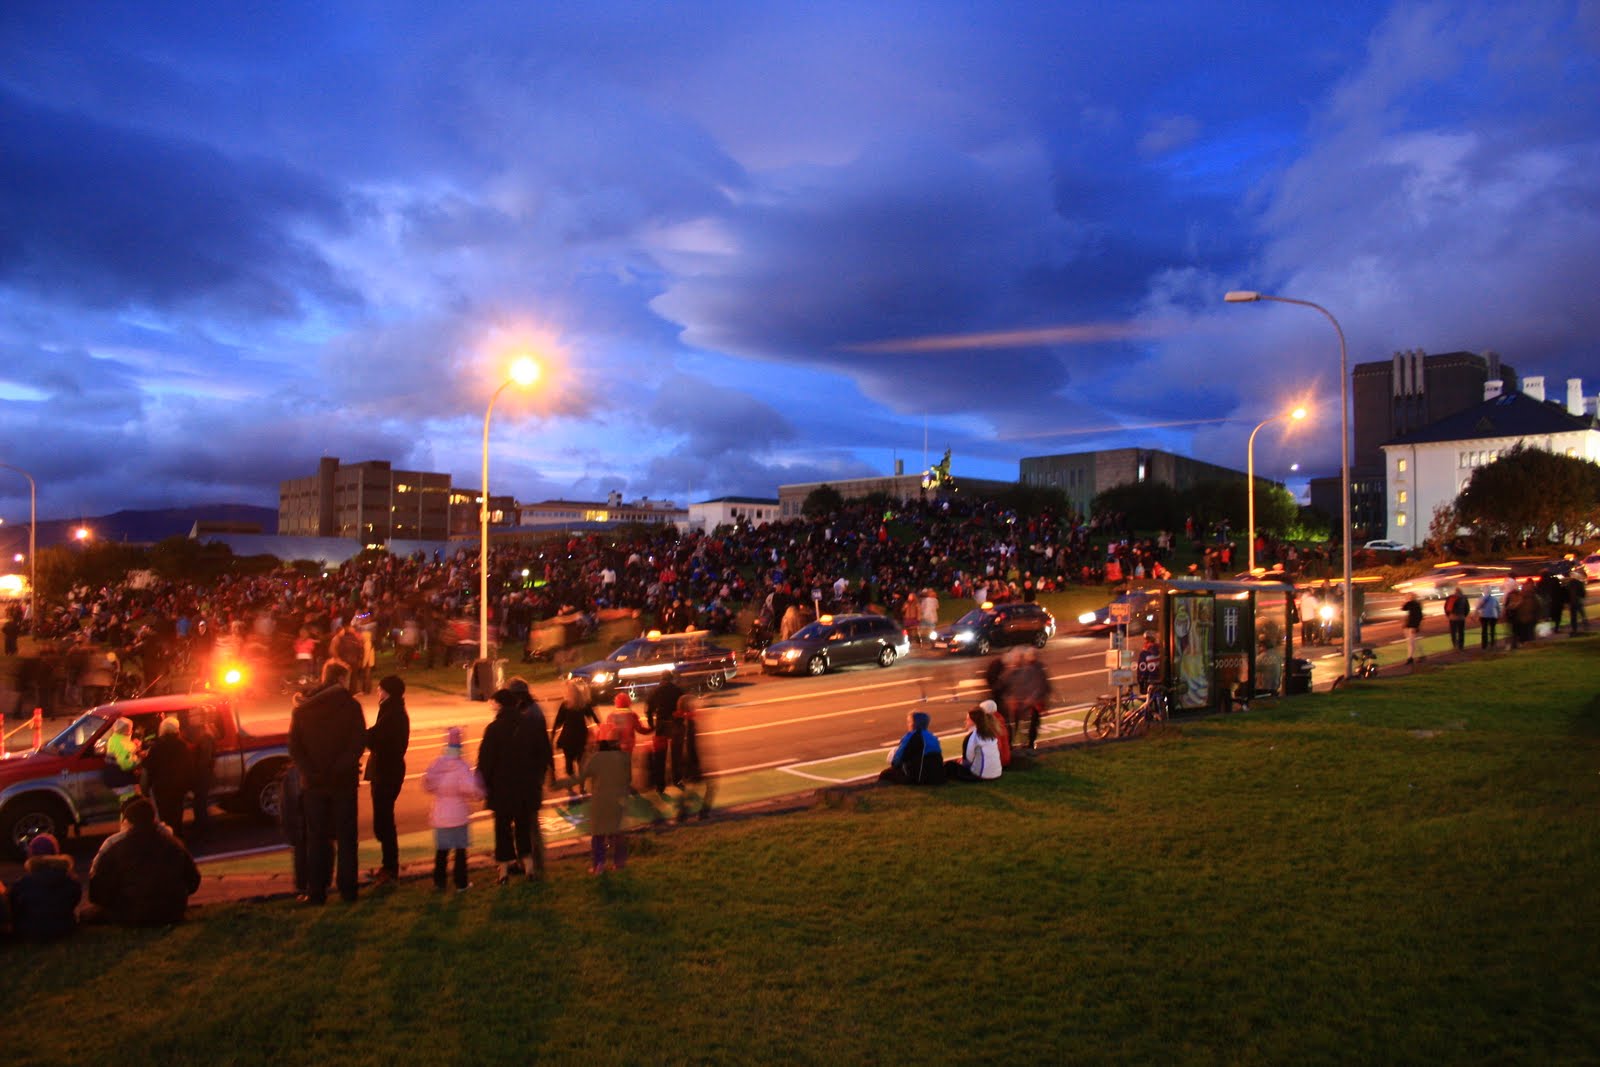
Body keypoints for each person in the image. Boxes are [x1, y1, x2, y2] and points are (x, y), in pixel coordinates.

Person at [288, 660, 367, 904]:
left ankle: (317, 890)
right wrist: (338, 768)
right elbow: (357, 744)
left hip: (313, 784)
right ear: (342, 679)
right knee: (346, 838)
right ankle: (348, 890)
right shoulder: (350, 706)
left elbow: (295, 747)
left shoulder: (303, 708)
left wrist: (311, 771)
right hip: (343, 782)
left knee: (316, 839)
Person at [86, 796, 201, 925]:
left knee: (88, 915)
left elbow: (97, 891)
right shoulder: (173, 845)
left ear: (128, 822)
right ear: (153, 818)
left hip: (131, 913)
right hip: (172, 911)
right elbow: (193, 880)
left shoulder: (116, 848)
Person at [478, 689, 541, 884]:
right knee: (523, 827)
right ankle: (529, 868)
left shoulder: (494, 729)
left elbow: (486, 761)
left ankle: (504, 872)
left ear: (499, 704)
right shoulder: (529, 726)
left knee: (502, 830)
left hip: (501, 788)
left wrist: (482, 784)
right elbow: (540, 755)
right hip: (525, 787)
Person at [423, 726, 483, 893]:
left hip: (440, 814)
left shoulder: (437, 764)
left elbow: (428, 784)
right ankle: (461, 883)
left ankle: (439, 882)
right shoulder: (462, 766)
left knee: (441, 851)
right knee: (460, 851)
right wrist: (480, 793)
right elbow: (471, 788)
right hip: (458, 815)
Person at [364, 674, 411, 886]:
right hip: (386, 771)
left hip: (386, 772)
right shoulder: (392, 710)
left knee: (384, 822)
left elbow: (376, 738)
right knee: (383, 820)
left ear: (388, 691)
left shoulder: (393, 714)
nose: (377, 691)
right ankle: (388, 865)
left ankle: (390, 868)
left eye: (380, 688)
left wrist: (360, 734)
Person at [569, 722, 634, 873]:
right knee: (617, 832)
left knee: (598, 834)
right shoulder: (624, 758)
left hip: (601, 801)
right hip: (617, 800)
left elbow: (584, 775)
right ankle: (619, 864)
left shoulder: (598, 757)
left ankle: (599, 865)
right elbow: (628, 779)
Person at [8, 833, 82, 942]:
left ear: (31, 855)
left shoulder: (22, 884)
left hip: (30, 931)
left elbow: (14, 906)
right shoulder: (70, 881)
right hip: (65, 929)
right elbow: (74, 900)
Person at [141, 716, 193, 839]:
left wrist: (146, 787)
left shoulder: (156, 746)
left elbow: (149, 767)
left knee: (164, 814)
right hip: (179, 785)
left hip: (161, 787)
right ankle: (178, 836)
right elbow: (189, 766)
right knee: (178, 812)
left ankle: (168, 837)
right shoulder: (182, 745)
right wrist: (189, 785)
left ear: (162, 729)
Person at [552, 677, 598, 796]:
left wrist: (553, 736)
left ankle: (571, 786)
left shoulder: (566, 705)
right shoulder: (584, 704)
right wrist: (601, 730)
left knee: (569, 762)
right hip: (581, 737)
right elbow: (594, 718)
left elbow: (558, 722)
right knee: (581, 762)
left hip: (568, 738)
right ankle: (582, 787)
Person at [673, 692, 715, 821]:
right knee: (710, 786)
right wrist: (696, 763)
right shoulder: (689, 723)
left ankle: (682, 814)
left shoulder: (678, 720)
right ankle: (703, 813)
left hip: (682, 762)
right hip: (691, 761)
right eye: (692, 704)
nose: (694, 706)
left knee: (690, 788)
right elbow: (691, 744)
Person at [878, 711, 945, 785]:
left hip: (919, 779)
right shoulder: (932, 737)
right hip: (937, 777)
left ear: (914, 723)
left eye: (909, 722)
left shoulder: (911, 736)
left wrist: (893, 763)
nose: (908, 724)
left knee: (885, 774)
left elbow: (898, 759)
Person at [645, 671, 685, 794]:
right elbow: (683, 706)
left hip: (661, 726)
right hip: (675, 725)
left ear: (661, 679)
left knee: (660, 756)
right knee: (676, 755)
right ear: (671, 679)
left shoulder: (655, 691)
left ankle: (660, 785)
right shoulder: (678, 690)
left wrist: (651, 724)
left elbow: (648, 709)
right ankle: (677, 780)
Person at [945, 706, 1002, 782]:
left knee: (950, 765)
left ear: (973, 721)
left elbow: (968, 760)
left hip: (980, 776)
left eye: (967, 719)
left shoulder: (972, 736)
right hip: (997, 774)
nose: (965, 721)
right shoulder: (990, 733)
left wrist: (960, 761)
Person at [185, 709, 218, 840]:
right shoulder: (206, 731)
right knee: (200, 802)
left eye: (192, 716)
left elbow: (204, 758)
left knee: (200, 802)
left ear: (200, 717)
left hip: (203, 774)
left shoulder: (205, 736)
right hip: (204, 773)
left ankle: (203, 829)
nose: (190, 718)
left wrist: (196, 773)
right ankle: (202, 826)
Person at [103, 717, 144, 800]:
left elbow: (119, 751)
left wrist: (133, 746)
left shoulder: (112, 739)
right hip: (123, 780)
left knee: (123, 802)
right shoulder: (125, 745)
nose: (132, 731)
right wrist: (139, 759)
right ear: (126, 730)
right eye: (130, 729)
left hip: (112, 777)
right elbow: (126, 765)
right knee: (130, 801)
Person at [1401, 592, 1424, 664]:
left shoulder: (1415, 604)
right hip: (1409, 625)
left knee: (1411, 642)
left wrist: (1416, 626)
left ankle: (1410, 658)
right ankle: (1421, 655)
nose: (1407, 598)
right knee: (1413, 641)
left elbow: (1419, 616)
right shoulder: (1413, 604)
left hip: (1412, 625)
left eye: (1408, 596)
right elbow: (1403, 608)